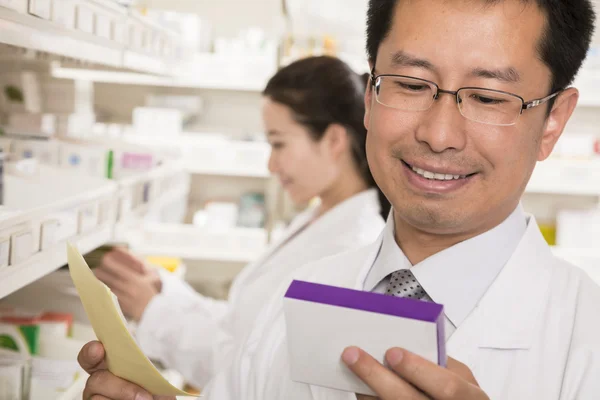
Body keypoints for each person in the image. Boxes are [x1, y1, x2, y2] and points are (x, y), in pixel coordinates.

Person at [78, 0, 600, 399]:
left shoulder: (585, 342)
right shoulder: (298, 297)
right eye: (411, 84)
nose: (440, 134)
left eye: (488, 97)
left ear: (553, 121)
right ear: (371, 94)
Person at [85, 55, 390, 392]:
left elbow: (257, 375)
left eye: (278, 143)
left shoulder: (351, 249)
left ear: (333, 141)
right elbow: (240, 323)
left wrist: (155, 313)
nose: (271, 165)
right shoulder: (320, 217)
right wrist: (161, 290)